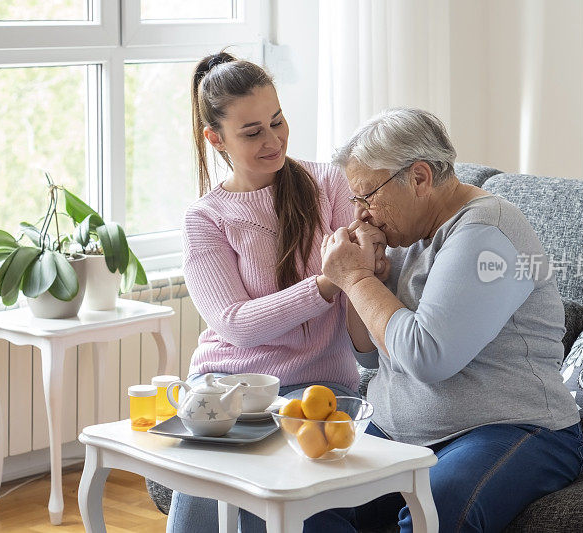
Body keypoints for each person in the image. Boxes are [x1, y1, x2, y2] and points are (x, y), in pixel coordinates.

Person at [315, 108, 583, 532]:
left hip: (512, 429)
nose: (361, 214)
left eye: (368, 196)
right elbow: (369, 354)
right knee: (310, 496)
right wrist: (361, 282)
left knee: (440, 506)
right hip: (399, 431)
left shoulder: (487, 233)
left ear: (419, 177)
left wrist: (355, 276)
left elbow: (427, 357)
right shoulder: (406, 232)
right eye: (356, 200)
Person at [160, 51, 374, 533]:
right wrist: (323, 284)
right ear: (215, 139)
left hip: (318, 385)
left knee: (286, 508)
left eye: (277, 121)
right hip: (227, 386)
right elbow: (234, 322)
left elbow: (357, 291)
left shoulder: (328, 183)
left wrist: (363, 274)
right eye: (252, 132)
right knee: (201, 510)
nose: (273, 140)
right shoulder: (206, 218)